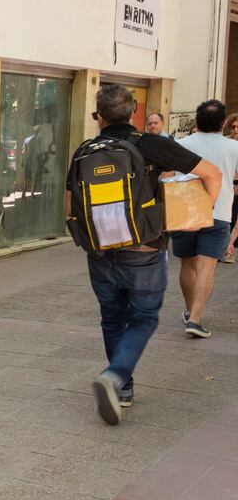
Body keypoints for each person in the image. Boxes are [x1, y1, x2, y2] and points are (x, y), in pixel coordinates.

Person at [79, 85, 221, 426]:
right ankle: (114, 378)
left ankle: (124, 389)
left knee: (112, 318)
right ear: (134, 112)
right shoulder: (150, 143)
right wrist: (199, 213)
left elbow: (72, 205)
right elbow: (212, 174)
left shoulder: (84, 151)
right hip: (144, 248)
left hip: (99, 251)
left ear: (98, 117)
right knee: (143, 318)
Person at [172, 100, 238, 336]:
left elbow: (166, 175)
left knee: (187, 263)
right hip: (218, 212)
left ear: (196, 121)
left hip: (183, 211)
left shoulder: (179, 144)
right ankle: (196, 319)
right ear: (223, 122)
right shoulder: (234, 147)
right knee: (207, 266)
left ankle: (190, 311)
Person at [223, 112, 238, 263]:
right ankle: (227, 248)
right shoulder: (225, 143)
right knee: (228, 219)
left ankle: (229, 249)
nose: (235, 129)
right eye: (233, 126)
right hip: (226, 186)